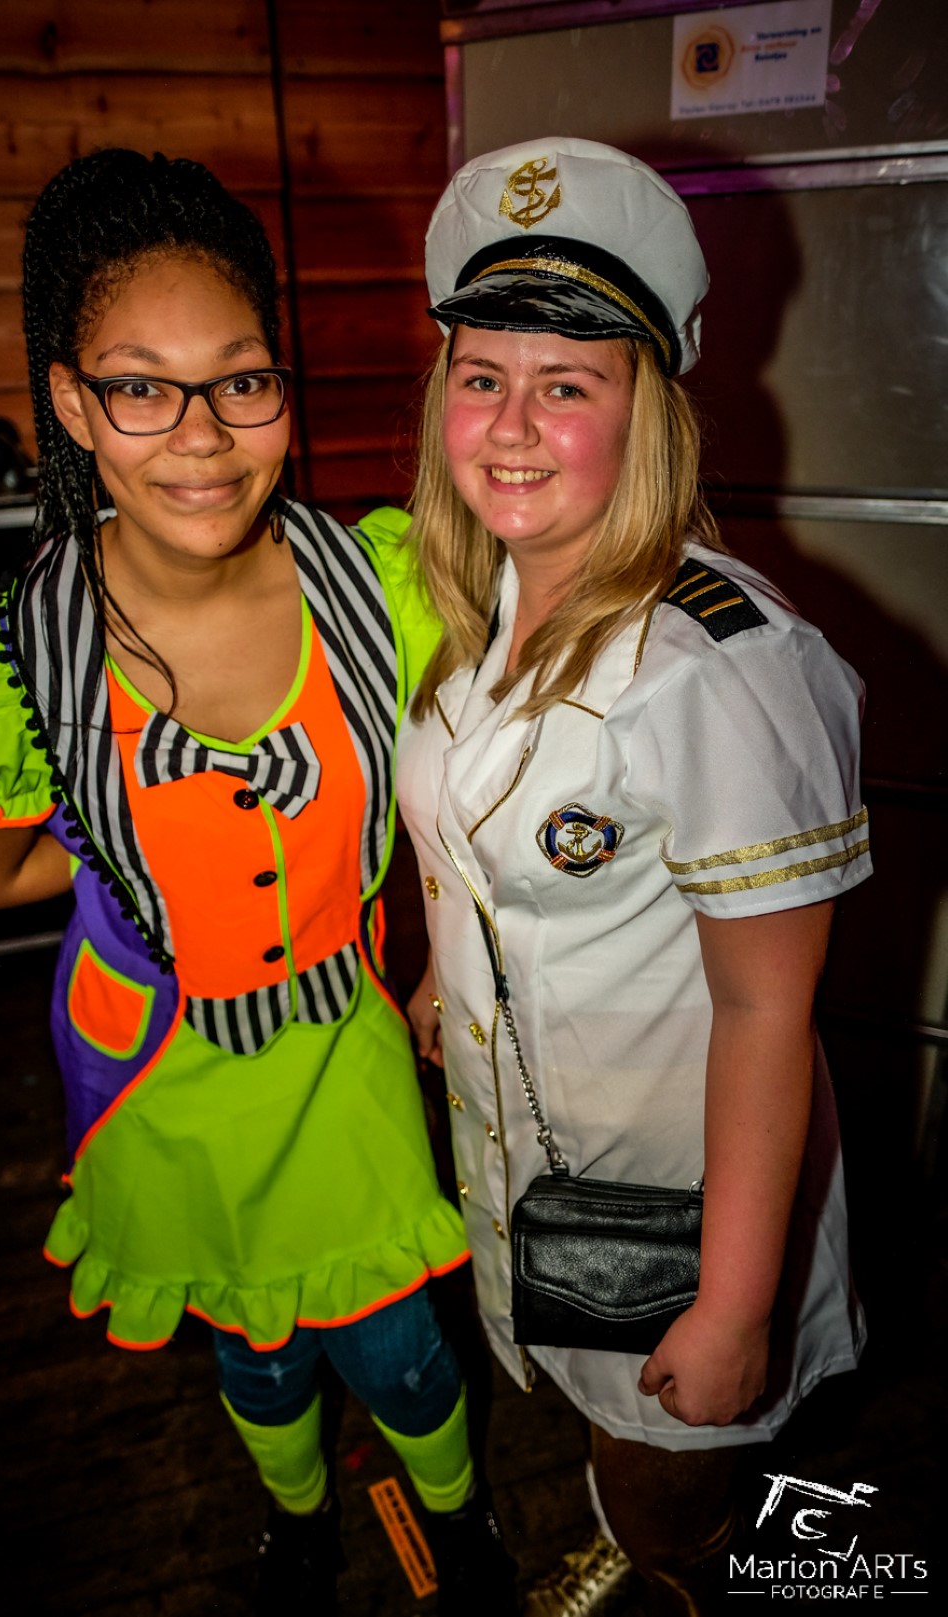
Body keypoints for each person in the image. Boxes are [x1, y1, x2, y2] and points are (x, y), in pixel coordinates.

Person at [0, 148, 517, 1615]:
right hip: (161, 1071)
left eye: (240, 381)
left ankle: (465, 1524)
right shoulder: (3, 667)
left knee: (398, 1348)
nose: (203, 436)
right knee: (256, 1349)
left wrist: (444, 959)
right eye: (140, 387)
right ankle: (297, 1528)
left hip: (340, 1058)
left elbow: (476, 789)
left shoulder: (387, 587)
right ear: (68, 403)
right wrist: (135, 845)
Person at [397, 137, 872, 1616]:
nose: (511, 425)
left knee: (687, 1497)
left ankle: (727, 1567)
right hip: (547, 1179)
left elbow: (766, 1010)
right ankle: (653, 1528)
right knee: (618, 1441)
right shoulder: (486, 603)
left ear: (646, 411)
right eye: (483, 375)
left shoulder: (720, 665)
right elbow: (485, 851)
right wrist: (447, 977)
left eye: (569, 384)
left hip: (680, 1212)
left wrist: (733, 1308)